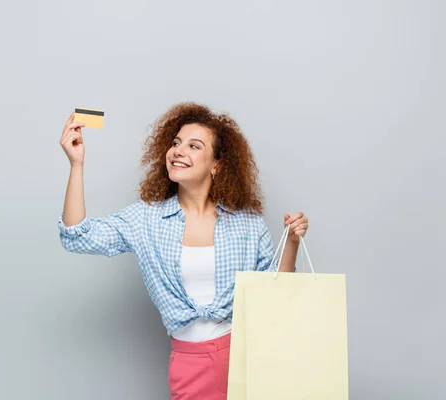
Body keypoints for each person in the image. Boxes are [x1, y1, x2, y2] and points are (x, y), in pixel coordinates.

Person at [58, 102, 309, 400]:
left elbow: (276, 290)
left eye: (193, 146)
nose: (178, 150)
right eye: (176, 143)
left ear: (216, 164)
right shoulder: (146, 219)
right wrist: (77, 165)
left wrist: (291, 241)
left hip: (248, 354)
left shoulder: (246, 223)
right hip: (190, 362)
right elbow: (77, 236)